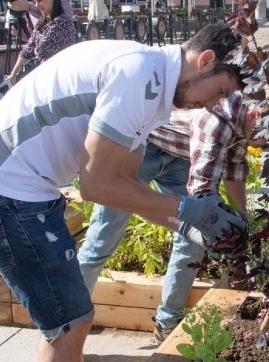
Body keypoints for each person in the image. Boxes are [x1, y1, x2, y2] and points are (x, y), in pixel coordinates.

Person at [0, 24, 246, 362]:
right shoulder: (138, 77)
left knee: (73, 320)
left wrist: (184, 226)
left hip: (27, 193)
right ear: (205, 62)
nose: (214, 105)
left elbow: (123, 184)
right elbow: (96, 185)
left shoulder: (154, 86)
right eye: (218, 91)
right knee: (66, 328)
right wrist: (186, 209)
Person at [78, 91, 255, 344]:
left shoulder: (245, 122)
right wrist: (219, 230)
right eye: (260, 143)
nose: (259, 147)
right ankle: (69, 338)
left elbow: (234, 172)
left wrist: (243, 224)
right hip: (141, 148)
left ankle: (167, 325)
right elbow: (203, 197)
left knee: (192, 242)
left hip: (180, 156)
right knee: (102, 240)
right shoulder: (217, 122)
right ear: (254, 115)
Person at [5, 0, 76, 87]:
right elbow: (28, 48)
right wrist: (13, 75)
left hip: (60, 79)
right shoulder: (42, 21)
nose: (37, 5)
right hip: (44, 77)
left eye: (40, 0)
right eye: (35, 1)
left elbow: (41, 49)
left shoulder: (62, 22)